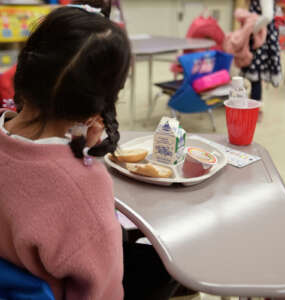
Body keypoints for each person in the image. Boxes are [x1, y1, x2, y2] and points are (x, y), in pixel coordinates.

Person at [0, 2, 177, 300]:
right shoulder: (85, 186)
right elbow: (102, 290)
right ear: (99, 106)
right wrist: (81, 163)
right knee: (163, 264)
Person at [241, 0, 282, 101]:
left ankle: (254, 109)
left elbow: (268, 16)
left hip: (262, 40)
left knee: (256, 76)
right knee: (254, 76)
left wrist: (252, 29)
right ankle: (253, 106)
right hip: (259, 38)